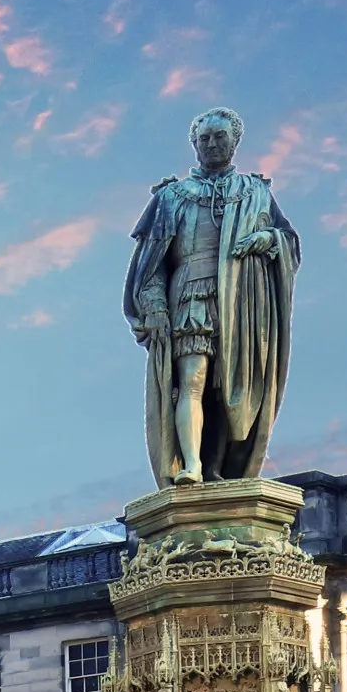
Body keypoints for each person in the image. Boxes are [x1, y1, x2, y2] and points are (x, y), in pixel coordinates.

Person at [123, 107, 300, 485]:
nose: (212, 144)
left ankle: (218, 468)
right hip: (190, 293)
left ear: (235, 141)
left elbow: (289, 242)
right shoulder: (172, 197)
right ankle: (191, 465)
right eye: (204, 138)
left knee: (226, 390)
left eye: (220, 137)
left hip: (243, 303)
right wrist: (153, 307)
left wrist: (269, 239)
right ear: (194, 145)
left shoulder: (256, 192)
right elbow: (149, 264)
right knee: (192, 379)